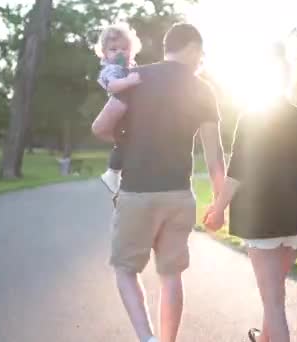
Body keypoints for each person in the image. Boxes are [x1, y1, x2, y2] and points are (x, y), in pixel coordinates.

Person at [92, 23, 225, 342]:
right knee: (171, 275)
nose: (201, 61)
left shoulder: (137, 79)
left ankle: (147, 339)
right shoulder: (203, 89)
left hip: (137, 193)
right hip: (179, 195)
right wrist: (220, 205)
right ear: (191, 48)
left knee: (125, 270)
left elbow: (100, 126)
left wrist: (128, 139)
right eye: (201, 54)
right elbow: (214, 155)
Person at [204, 46, 297, 342]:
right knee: (274, 290)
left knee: (273, 299)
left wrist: (219, 209)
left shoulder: (251, 118)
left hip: (263, 220)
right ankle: (264, 338)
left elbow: (236, 172)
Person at [94, 23, 143, 193]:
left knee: (129, 142)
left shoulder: (129, 67)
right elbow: (112, 86)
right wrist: (129, 82)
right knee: (122, 142)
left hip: (130, 110)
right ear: (105, 53)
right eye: (113, 49)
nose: (120, 52)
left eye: (124, 48)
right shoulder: (111, 69)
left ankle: (122, 173)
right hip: (119, 112)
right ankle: (112, 172)